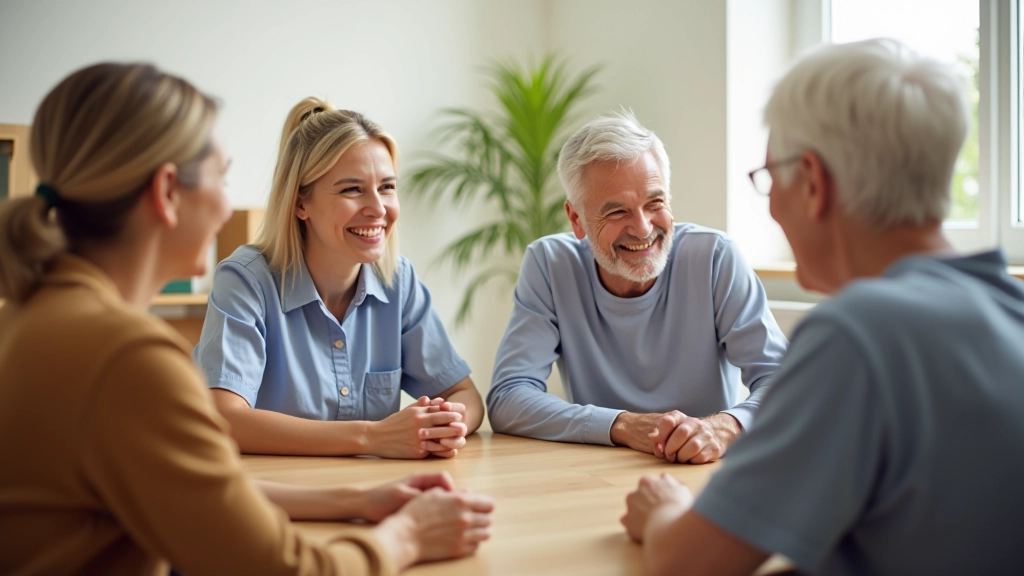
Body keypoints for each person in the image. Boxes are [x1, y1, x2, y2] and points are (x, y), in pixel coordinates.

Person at [0, 62, 493, 575]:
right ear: (168, 193)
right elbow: (286, 568)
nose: (225, 206)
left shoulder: (32, 317)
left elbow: (189, 490)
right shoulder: (128, 359)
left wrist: (354, 500)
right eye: (223, 176)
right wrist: (408, 536)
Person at [622, 39, 1024, 576]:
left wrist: (664, 510)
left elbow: (687, 562)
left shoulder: (857, 336)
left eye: (768, 178)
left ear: (812, 182)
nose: (770, 205)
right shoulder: (1011, 307)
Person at [487, 111, 788, 463]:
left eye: (654, 203)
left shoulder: (714, 257)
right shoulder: (550, 264)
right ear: (576, 219)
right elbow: (509, 397)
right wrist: (624, 425)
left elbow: (784, 384)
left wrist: (724, 428)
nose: (643, 228)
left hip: (704, 471)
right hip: (598, 470)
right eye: (617, 212)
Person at [193, 98, 484, 458]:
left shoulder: (399, 281)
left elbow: (464, 395)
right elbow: (224, 419)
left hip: (375, 495)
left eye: (387, 187)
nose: (378, 209)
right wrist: (373, 437)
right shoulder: (245, 280)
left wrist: (444, 425)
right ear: (301, 203)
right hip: (275, 499)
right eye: (352, 189)